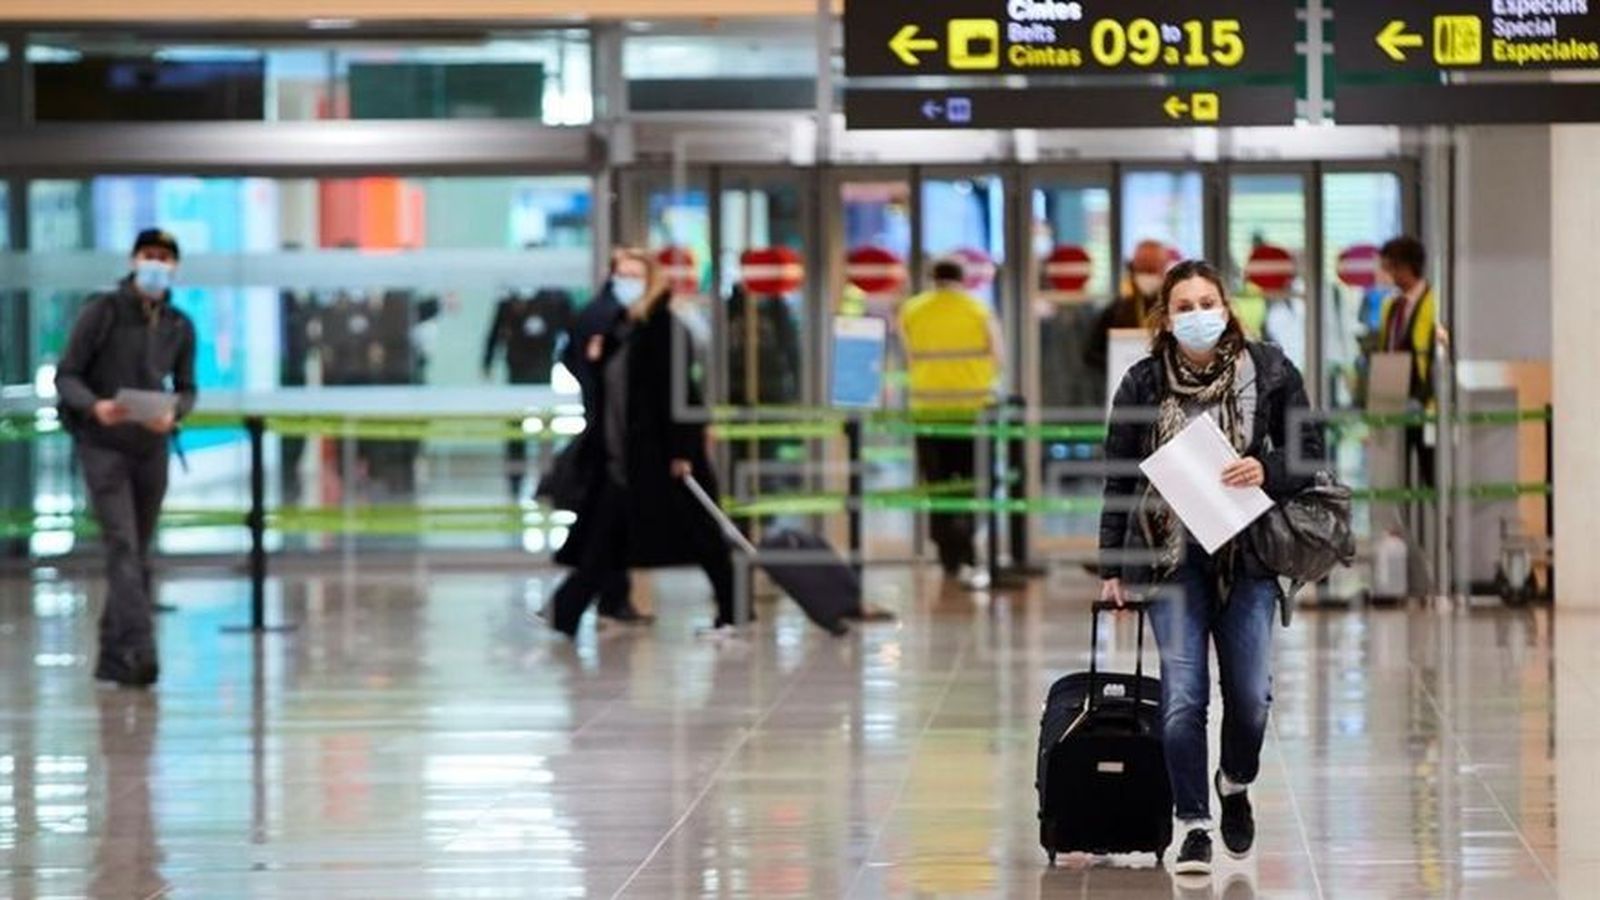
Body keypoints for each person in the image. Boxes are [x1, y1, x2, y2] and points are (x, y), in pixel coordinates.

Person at [1098, 260, 1324, 877]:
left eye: (1207, 301)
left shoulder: (1270, 370)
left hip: (1248, 552)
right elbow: (1120, 473)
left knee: (1250, 697)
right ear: (1166, 319)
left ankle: (1234, 782)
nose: (1198, 314)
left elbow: (1311, 452)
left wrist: (1268, 472)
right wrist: (1113, 565)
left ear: (1225, 305)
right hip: (1171, 557)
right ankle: (1194, 823)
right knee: (1182, 698)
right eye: (1184, 305)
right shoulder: (1143, 383)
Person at [546, 248, 736, 638]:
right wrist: (596, 360)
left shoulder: (664, 326)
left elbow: (681, 393)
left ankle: (733, 609)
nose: (626, 282)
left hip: (663, 454)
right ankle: (564, 611)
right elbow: (603, 384)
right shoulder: (621, 328)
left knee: (701, 533)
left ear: (651, 280)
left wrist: (683, 449)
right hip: (621, 455)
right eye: (621, 274)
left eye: (635, 274)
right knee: (606, 537)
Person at [56, 228, 198, 688]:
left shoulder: (179, 325)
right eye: (148, 255)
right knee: (122, 545)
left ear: (175, 266)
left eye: (164, 257)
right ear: (134, 259)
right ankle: (141, 647)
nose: (156, 264)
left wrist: (174, 413)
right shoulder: (102, 312)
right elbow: (68, 375)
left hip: (150, 448)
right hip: (103, 444)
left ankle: (113, 661)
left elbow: (187, 388)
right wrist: (95, 406)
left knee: (138, 552)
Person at [552, 257, 647, 626]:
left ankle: (601, 599)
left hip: (605, 432)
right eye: (632, 274)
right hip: (610, 439)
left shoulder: (604, 311)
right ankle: (573, 604)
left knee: (610, 526)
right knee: (608, 526)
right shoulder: (607, 316)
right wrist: (595, 392)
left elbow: (567, 358)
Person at [898, 257, 1003, 590]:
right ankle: (967, 541)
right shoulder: (978, 310)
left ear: (932, 279)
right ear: (962, 279)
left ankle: (948, 554)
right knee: (973, 482)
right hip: (972, 411)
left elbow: (906, 354)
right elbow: (997, 355)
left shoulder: (911, 310)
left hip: (927, 411)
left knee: (938, 486)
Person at [483, 285, 573, 499]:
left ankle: (548, 478)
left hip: (543, 368)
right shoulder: (509, 301)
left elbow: (571, 330)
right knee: (515, 427)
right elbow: (495, 332)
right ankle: (515, 480)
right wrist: (487, 362)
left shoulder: (554, 298)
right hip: (517, 368)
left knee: (546, 428)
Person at [1376, 236, 1439, 488]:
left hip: (1425, 402)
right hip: (1393, 401)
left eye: (1391, 267)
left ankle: (1434, 526)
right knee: (1396, 477)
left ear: (1406, 267)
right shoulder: (1391, 306)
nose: (1388, 275)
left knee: (1430, 470)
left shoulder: (1434, 303)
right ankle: (1401, 526)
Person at [1084, 239, 1168, 377]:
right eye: (1142, 268)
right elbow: (1092, 354)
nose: (1147, 274)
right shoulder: (1116, 309)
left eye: (1152, 269)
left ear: (1164, 267)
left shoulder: (1175, 308)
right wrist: (1118, 363)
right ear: (1133, 266)